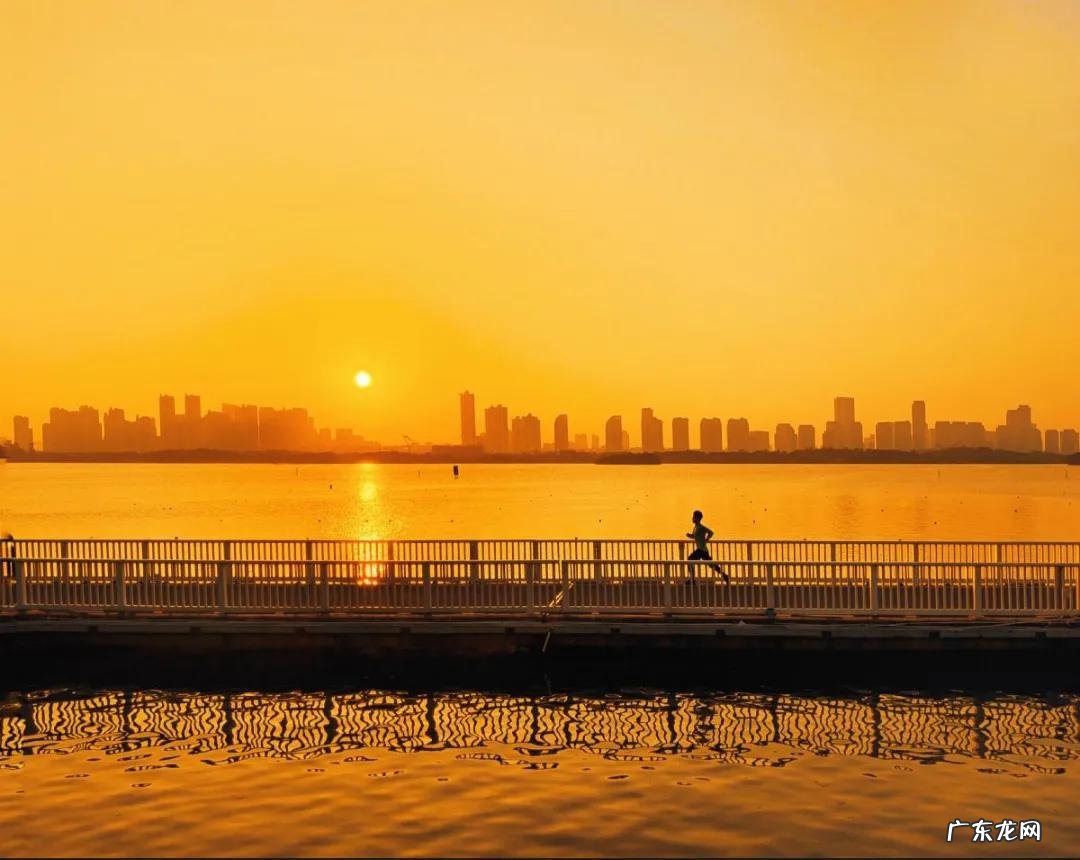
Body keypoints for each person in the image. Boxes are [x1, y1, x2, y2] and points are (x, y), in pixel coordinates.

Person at [685, 510, 729, 583]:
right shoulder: (695, 527)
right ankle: (725, 576)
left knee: (690, 559)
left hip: (702, 550)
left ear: (697, 518)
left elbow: (711, 532)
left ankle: (692, 580)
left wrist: (707, 538)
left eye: (694, 517)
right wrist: (689, 535)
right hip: (702, 550)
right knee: (711, 565)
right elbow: (694, 536)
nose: (692, 518)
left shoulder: (701, 527)